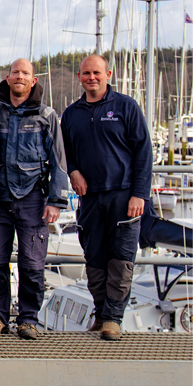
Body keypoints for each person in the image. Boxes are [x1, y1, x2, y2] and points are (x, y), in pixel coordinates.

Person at [61, 54, 151, 341]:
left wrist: (139, 194)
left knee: (120, 260)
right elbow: (66, 153)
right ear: (79, 77)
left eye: (97, 73)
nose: (92, 78)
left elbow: (143, 153)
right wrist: (73, 171)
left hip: (124, 196)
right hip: (90, 198)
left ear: (108, 74)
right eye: (86, 73)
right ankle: (100, 314)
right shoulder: (72, 113)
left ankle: (113, 318)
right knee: (94, 260)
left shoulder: (126, 107)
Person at [0, 58, 67, 340]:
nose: (20, 76)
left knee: (32, 264)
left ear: (33, 80)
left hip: (33, 199)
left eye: (25, 73)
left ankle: (28, 319)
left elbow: (59, 162)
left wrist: (56, 200)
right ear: (8, 79)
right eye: (15, 72)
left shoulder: (46, 116)